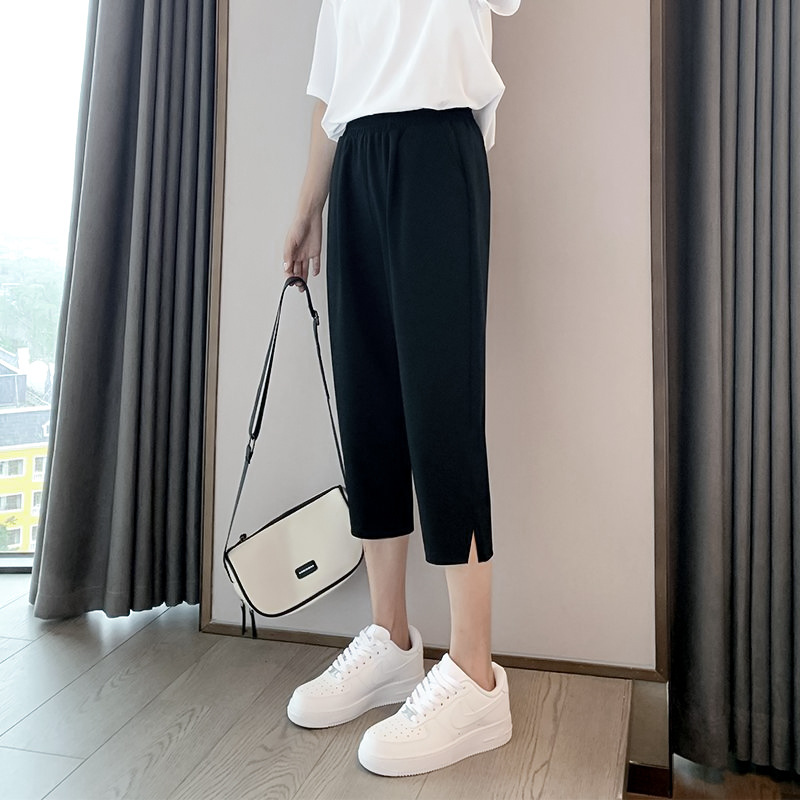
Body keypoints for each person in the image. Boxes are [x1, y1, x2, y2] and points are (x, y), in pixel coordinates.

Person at [281, 0, 521, 778]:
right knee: (369, 404)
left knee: (441, 406)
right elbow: (331, 88)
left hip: (437, 149)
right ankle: (389, 639)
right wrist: (308, 206)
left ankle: (476, 675)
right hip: (356, 159)